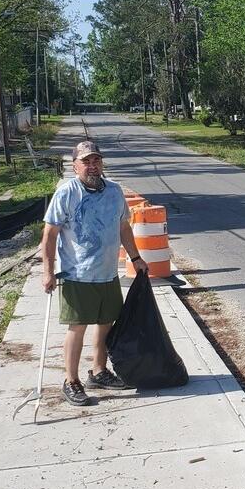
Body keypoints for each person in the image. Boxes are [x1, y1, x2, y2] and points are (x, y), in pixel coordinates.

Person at [41, 140, 148, 406]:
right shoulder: (67, 193)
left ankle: (99, 371)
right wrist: (48, 271)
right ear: (75, 165)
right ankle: (71, 380)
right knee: (78, 327)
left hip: (108, 273)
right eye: (86, 161)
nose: (92, 165)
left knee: (106, 322)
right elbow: (50, 234)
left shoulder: (114, 191)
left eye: (96, 160)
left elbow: (123, 228)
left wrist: (136, 258)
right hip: (77, 274)